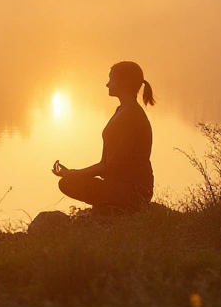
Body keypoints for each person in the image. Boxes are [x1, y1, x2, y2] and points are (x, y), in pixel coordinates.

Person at [52, 61, 155, 213]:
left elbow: (108, 167)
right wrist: (74, 173)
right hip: (118, 185)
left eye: (111, 79)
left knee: (68, 183)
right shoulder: (122, 110)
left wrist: (75, 174)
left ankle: (121, 208)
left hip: (134, 191)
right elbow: (105, 163)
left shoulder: (131, 116)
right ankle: (110, 206)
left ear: (124, 82)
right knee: (69, 181)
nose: (107, 84)